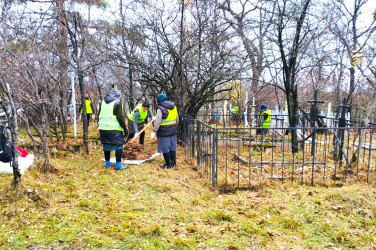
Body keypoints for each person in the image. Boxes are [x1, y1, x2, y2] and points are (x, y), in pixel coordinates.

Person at [98, 89, 128, 170]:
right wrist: (125, 128)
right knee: (119, 145)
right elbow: (120, 117)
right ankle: (118, 165)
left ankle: (107, 163)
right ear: (117, 95)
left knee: (106, 145)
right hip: (114, 129)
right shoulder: (118, 102)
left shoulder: (102, 102)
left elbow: (99, 114)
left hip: (103, 128)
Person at [151, 94, 178, 169]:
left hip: (163, 132)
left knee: (165, 148)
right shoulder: (174, 106)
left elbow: (158, 121)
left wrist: (154, 131)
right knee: (172, 147)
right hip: (173, 130)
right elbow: (177, 118)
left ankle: (168, 165)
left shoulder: (160, 108)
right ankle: (174, 164)